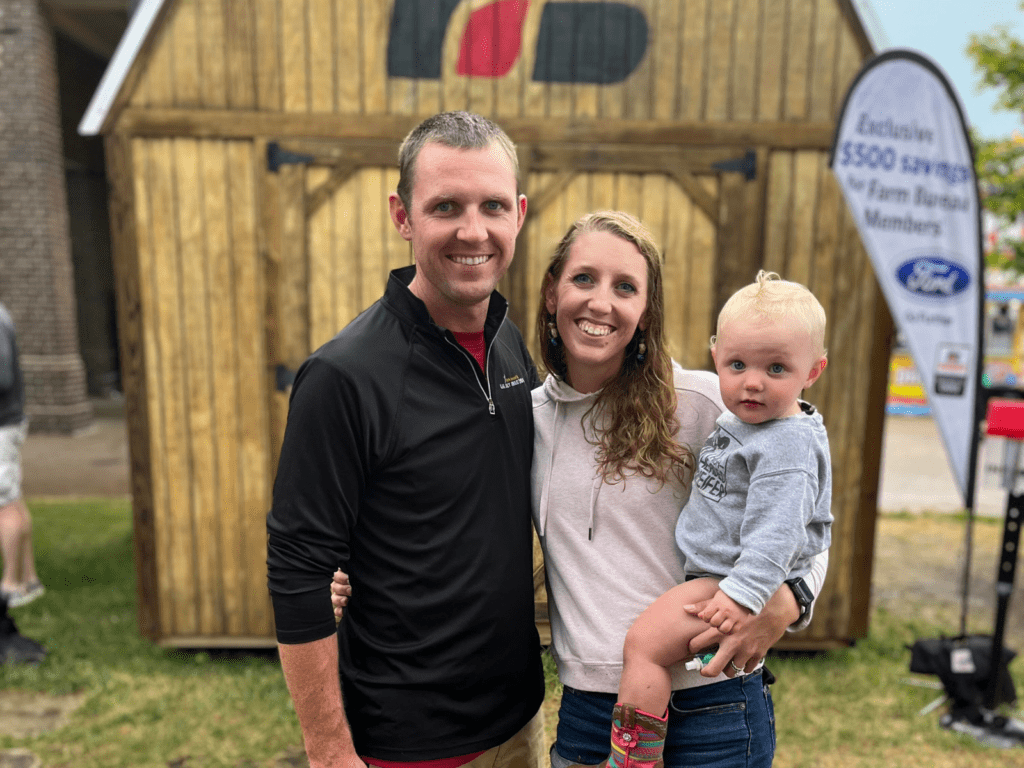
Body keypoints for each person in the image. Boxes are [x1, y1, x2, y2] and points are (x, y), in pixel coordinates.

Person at [266, 111, 545, 768]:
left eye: (492, 206)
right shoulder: (343, 376)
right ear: (402, 215)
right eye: (445, 206)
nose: (472, 230)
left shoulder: (508, 342)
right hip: (406, 742)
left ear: (519, 214)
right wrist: (331, 753)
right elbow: (298, 571)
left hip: (519, 718)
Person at [530, 212, 828, 768]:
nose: (601, 302)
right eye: (583, 279)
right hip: (590, 713)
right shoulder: (527, 423)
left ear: (646, 312)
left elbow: (804, 518)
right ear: (552, 293)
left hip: (710, 706)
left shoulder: (709, 404)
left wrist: (785, 602)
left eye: (626, 287)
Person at [0, 301, 44, 609]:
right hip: (8, 423)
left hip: (2, 425)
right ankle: (29, 579)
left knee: (4, 505)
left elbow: (1, 377)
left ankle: (11, 585)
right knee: (12, 500)